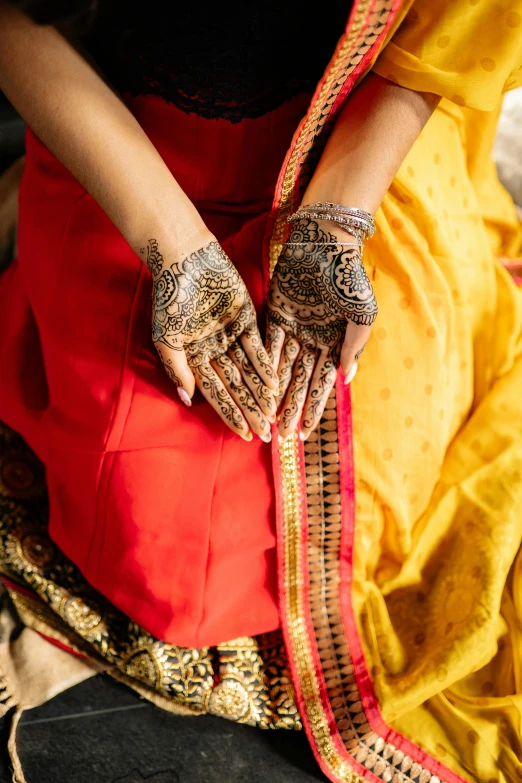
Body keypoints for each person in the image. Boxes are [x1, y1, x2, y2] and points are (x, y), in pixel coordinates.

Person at [0, 1, 521, 781]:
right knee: (164, 557)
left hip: (350, 144)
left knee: (368, 503)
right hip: (130, 155)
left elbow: (447, 30)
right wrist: (176, 249)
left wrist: (334, 225)